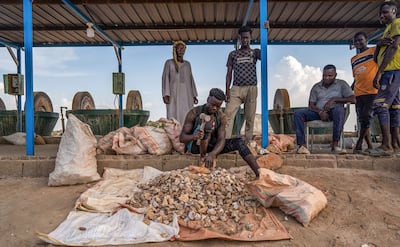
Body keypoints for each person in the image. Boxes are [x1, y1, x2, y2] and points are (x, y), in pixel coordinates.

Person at [179, 88, 260, 178]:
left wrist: (213, 154)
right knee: (208, 125)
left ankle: (259, 173)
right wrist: (194, 136)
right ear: (208, 99)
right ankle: (202, 158)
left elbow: (221, 139)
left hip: (212, 147)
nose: (215, 108)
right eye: (213, 105)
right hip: (195, 147)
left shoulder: (221, 116)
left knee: (239, 142)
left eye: (218, 106)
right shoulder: (194, 112)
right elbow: (182, 138)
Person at [294, 64, 355, 154]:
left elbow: (353, 99)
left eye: (330, 76)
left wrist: (334, 100)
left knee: (339, 110)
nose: (326, 78)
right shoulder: (316, 87)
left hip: (334, 113)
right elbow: (311, 105)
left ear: (335, 75)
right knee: (298, 113)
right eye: (324, 75)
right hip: (318, 112)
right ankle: (302, 146)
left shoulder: (342, 84)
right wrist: (320, 112)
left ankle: (335, 144)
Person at [372, 1, 400, 155]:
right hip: (390, 72)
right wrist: (378, 45)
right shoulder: (387, 31)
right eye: (380, 14)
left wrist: (379, 73)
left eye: (385, 12)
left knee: (380, 105)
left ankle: (386, 145)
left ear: (394, 10)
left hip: (392, 71)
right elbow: (376, 59)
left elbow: (394, 47)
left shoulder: (397, 23)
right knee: (395, 108)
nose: (382, 16)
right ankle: (396, 145)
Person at [224, 25, 261, 144]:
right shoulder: (233, 54)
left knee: (250, 117)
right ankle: (225, 142)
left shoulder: (254, 52)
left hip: (251, 88)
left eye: (247, 38)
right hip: (236, 89)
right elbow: (229, 73)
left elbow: (264, 57)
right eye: (243, 38)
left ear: (251, 38)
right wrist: (227, 90)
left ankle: (247, 142)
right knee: (228, 115)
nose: (245, 40)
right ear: (239, 38)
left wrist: (267, 31)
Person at [351, 32, 378, 155]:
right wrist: (351, 88)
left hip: (372, 90)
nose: (358, 43)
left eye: (360, 40)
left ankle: (359, 143)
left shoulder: (374, 50)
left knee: (367, 115)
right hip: (358, 93)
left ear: (366, 40)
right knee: (362, 119)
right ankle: (370, 146)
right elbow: (356, 76)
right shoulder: (353, 59)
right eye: (355, 41)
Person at [162, 41, 198, 125]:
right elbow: (165, 77)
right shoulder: (169, 63)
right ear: (175, 49)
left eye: (183, 48)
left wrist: (194, 95)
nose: (181, 50)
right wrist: (165, 94)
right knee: (173, 113)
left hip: (187, 94)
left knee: (187, 113)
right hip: (173, 93)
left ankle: (187, 133)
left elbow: (191, 79)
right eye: (179, 48)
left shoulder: (187, 64)